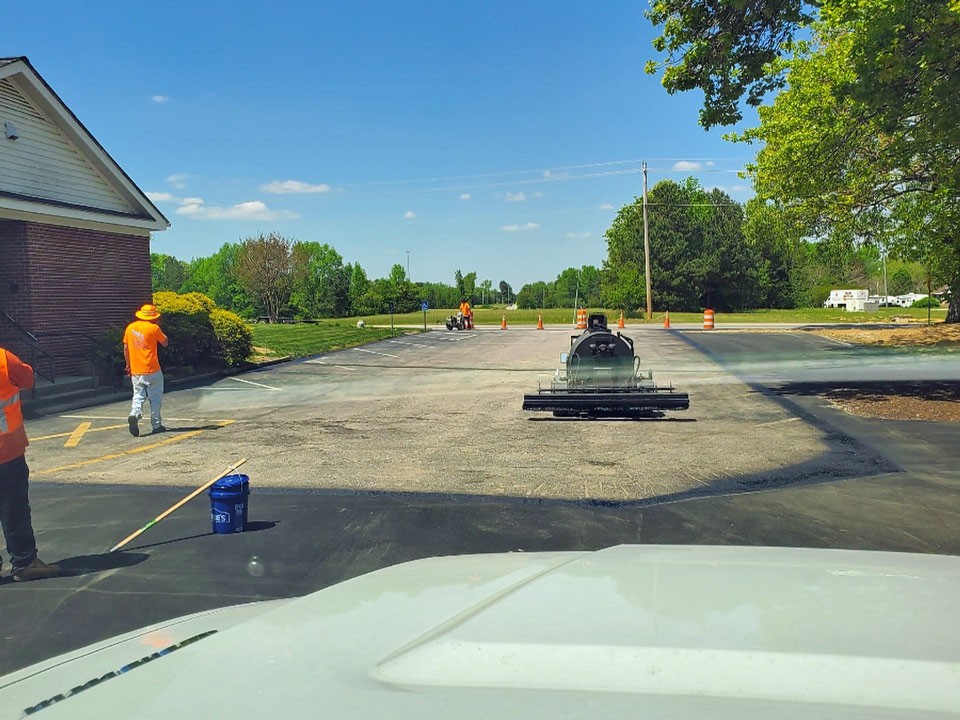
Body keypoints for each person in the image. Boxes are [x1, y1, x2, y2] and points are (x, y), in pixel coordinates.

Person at [0, 346, 60, 582]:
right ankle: (25, 562)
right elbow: (28, 379)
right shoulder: (4, 359)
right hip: (6, 449)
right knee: (14, 508)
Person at [123, 303, 169, 437]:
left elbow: (126, 348)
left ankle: (135, 414)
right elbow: (165, 342)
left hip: (136, 370)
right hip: (152, 369)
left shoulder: (130, 328)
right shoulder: (154, 328)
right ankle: (156, 425)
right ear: (154, 317)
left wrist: (128, 365)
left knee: (138, 395)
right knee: (155, 398)